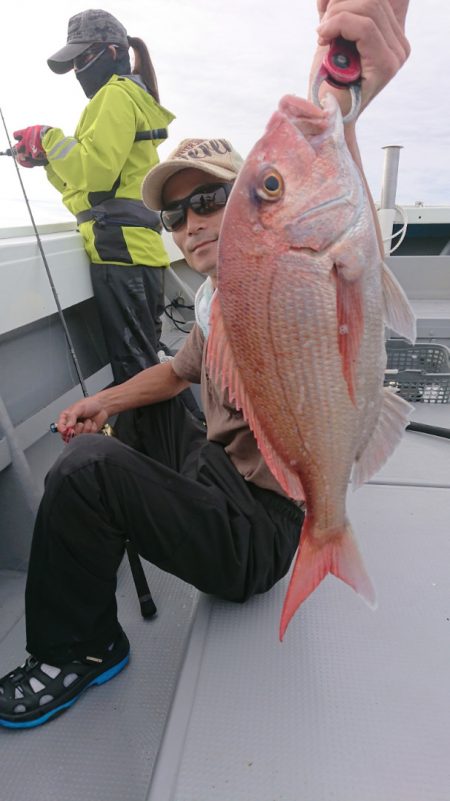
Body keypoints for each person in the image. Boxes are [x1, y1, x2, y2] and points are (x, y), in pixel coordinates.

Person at [0, 0, 410, 729]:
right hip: (218, 477)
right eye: (174, 217)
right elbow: (175, 372)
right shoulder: (222, 301)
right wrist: (107, 403)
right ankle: (126, 515)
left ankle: (83, 647)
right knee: (139, 401)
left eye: (214, 200)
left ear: (252, 210)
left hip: (260, 531)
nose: (190, 226)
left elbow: (326, 167)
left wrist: (348, 92)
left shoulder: (299, 268)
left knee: (88, 469)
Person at [12, 9, 175, 384]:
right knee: (142, 362)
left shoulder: (114, 95)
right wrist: (48, 162)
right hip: (134, 253)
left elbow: (94, 169)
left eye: (84, 57)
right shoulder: (130, 95)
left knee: (135, 372)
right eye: (75, 63)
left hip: (120, 256)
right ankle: (158, 437)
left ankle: (158, 440)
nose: (79, 70)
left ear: (114, 50)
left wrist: (49, 137)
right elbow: (91, 189)